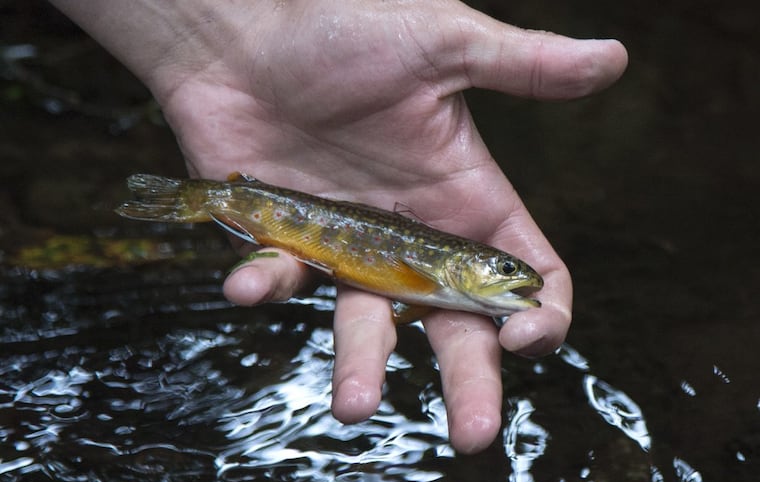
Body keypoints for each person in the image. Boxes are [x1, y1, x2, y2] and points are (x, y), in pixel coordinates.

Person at [50, 0, 627, 453]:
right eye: (503, 267)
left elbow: (409, 302)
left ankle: (204, 201)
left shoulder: (439, 282)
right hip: (267, 202)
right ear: (462, 266)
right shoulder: (430, 278)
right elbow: (408, 299)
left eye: (507, 270)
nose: (513, 276)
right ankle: (199, 200)